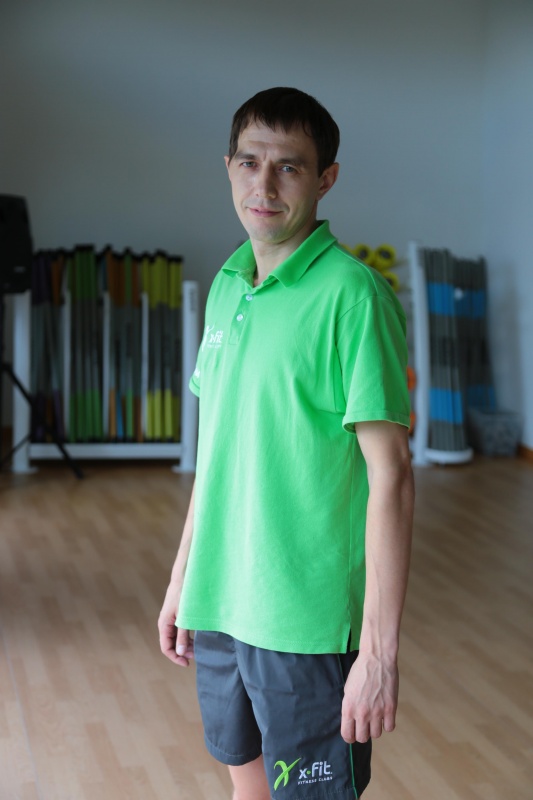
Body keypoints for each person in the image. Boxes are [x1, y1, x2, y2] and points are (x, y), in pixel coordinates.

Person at [158, 86, 414, 800]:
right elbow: (219, 456)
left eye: (289, 167)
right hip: (220, 603)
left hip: (304, 622)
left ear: (325, 178)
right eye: (249, 163)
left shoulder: (353, 296)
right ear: (229, 168)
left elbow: (392, 478)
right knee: (247, 786)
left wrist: (378, 655)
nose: (264, 186)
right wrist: (183, 582)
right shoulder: (227, 285)